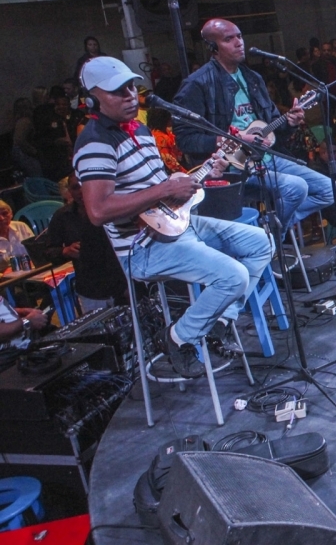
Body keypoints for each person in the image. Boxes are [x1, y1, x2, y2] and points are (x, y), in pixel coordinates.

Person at [73, 57, 273, 378]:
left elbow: (160, 185)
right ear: (92, 99)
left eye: (130, 86)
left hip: (177, 224)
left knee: (260, 242)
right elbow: (98, 211)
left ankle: (220, 321)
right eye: (116, 91)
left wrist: (202, 172)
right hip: (143, 248)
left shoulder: (138, 128)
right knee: (233, 276)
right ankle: (179, 336)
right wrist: (165, 188)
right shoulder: (95, 142)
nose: (129, 95)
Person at [174, 18, 335, 230]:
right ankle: (268, 234)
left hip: (267, 160)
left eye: (239, 36)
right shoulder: (198, 84)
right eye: (229, 39)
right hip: (232, 169)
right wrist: (233, 139)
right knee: (295, 188)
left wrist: (291, 122)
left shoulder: (253, 79)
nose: (238, 42)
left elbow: (274, 131)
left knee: (331, 190)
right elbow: (185, 140)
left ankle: (266, 228)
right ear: (213, 48)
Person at [28, 175, 125, 313]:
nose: (81, 191)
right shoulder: (62, 216)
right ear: (70, 191)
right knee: (97, 332)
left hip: (122, 282)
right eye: (75, 187)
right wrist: (64, 251)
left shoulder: (112, 206)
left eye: (84, 185)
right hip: (91, 289)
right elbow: (48, 251)